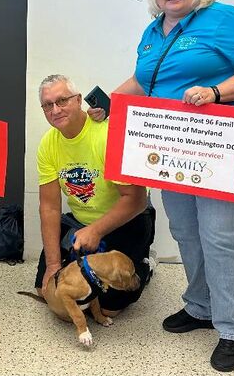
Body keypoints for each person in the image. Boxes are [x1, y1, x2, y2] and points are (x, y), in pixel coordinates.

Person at [93, 0, 234, 372]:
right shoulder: (153, 30)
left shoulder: (225, 19)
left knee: (220, 234)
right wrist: (106, 105)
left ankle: (231, 329)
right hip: (171, 143)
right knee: (186, 229)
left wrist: (217, 91)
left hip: (226, 142)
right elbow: (144, 81)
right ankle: (199, 306)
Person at [34, 74, 154, 315]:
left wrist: (96, 230)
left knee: (109, 308)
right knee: (46, 290)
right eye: (48, 105)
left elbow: (137, 200)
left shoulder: (108, 135)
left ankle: (144, 265)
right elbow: (49, 207)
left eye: (62, 101)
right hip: (80, 221)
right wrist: (54, 264)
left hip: (127, 219)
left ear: (78, 100)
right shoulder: (48, 144)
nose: (55, 110)